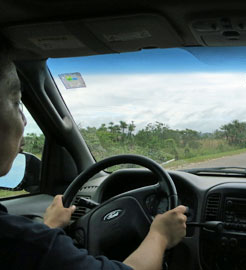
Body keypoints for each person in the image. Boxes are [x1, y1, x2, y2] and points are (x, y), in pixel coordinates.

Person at [0, 38, 187, 269]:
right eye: (18, 103)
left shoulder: (22, 241)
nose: (25, 120)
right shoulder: (24, 241)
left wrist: (48, 227)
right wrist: (160, 235)